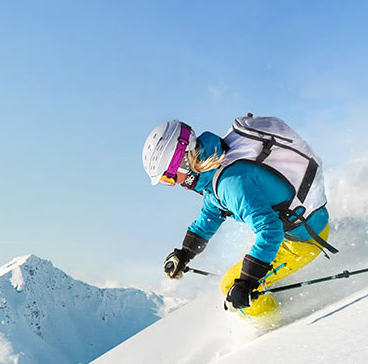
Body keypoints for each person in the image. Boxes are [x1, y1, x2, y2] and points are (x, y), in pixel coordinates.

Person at [141, 115, 335, 329]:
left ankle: (277, 333)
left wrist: (247, 282)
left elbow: (270, 230)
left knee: (230, 285)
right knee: (241, 277)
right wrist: (185, 253)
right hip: (302, 225)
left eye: (168, 178)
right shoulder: (216, 165)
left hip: (304, 241)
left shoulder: (230, 183)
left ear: (183, 162)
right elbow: (211, 213)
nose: (172, 184)